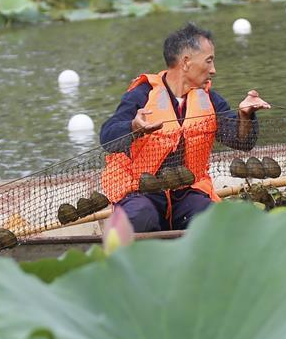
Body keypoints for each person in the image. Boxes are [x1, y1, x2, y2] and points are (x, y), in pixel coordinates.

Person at [100, 22, 270, 232]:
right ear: (186, 62)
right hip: (139, 191)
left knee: (210, 217)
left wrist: (246, 115)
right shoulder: (141, 94)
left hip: (187, 192)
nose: (214, 70)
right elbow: (107, 137)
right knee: (141, 217)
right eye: (209, 61)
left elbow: (240, 141)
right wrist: (134, 126)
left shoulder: (210, 99)